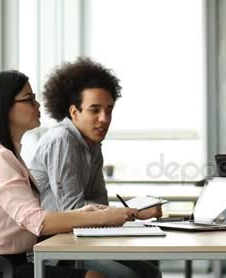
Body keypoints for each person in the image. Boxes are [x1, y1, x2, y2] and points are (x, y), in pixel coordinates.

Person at [0, 71, 139, 278]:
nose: (38, 105)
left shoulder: (8, 155)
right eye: (29, 99)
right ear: (4, 107)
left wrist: (87, 212)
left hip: (8, 262)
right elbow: (38, 221)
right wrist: (103, 217)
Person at [28, 58, 161, 278]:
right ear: (74, 112)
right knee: (128, 276)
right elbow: (70, 208)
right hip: (54, 248)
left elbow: (100, 205)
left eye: (109, 110)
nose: (104, 119)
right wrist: (134, 213)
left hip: (82, 239)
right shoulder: (62, 140)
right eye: (94, 110)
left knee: (149, 273)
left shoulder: (92, 144)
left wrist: (130, 212)